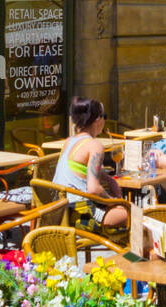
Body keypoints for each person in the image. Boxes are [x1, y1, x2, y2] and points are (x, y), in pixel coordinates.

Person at [53, 96, 128, 227]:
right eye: (104, 116)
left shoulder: (69, 141)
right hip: (81, 215)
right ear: (98, 119)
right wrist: (114, 201)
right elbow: (93, 189)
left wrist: (108, 179)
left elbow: (78, 171)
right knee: (135, 213)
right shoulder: (95, 145)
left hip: (59, 211)